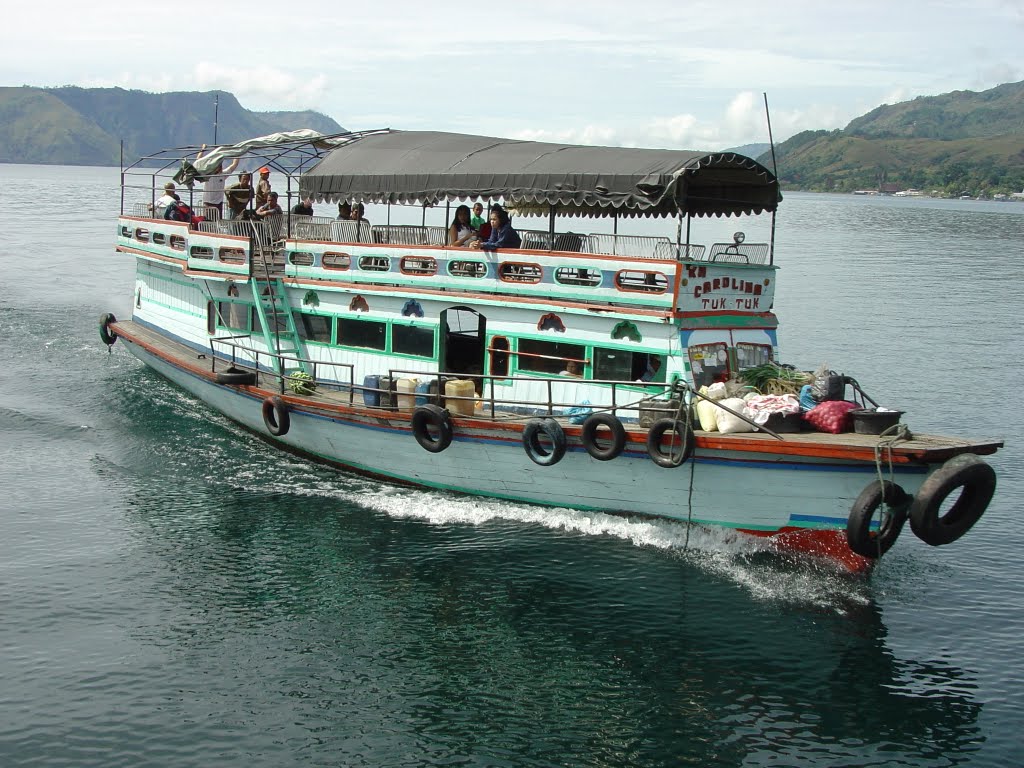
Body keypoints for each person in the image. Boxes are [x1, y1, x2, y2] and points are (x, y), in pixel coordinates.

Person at [196, 144, 239, 216]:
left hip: (219, 203)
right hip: (208, 202)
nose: (219, 167)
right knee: (208, 222)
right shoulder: (208, 174)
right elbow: (198, 162)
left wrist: (237, 152)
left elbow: (234, 164)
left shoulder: (223, 174)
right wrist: (203, 149)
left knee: (218, 222)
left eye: (220, 165)